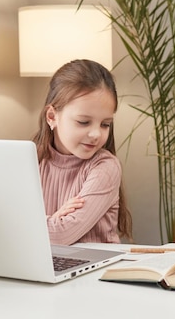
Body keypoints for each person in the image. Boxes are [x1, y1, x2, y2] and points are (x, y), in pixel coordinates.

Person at [32, 59, 132, 245]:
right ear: (52, 117)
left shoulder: (105, 167)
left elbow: (61, 235)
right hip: (43, 267)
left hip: (98, 271)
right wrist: (54, 221)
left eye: (105, 124)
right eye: (83, 122)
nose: (95, 134)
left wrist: (44, 223)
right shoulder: (31, 161)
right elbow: (1, 221)